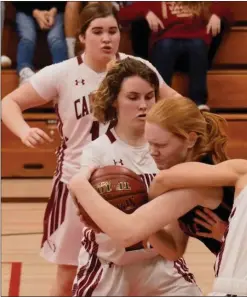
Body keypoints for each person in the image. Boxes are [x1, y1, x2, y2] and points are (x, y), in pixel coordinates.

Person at [68, 108, 247, 296]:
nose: (152, 152)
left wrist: (82, 185)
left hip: (243, 285)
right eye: (149, 144)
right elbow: (174, 250)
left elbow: (143, 209)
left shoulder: (222, 177)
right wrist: (149, 220)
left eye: (160, 145)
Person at [1, 3, 179, 296]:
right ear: (82, 37)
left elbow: (176, 104)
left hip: (133, 181)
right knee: (68, 272)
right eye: (97, 32)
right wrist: (24, 130)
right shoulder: (61, 73)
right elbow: (8, 103)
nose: (106, 38)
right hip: (78, 184)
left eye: (112, 31)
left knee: (140, 268)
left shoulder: (138, 69)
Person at [72, 59, 201, 296]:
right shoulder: (97, 152)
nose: (144, 105)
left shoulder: (170, 150)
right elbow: (83, 204)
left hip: (161, 263)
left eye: (149, 97)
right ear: (114, 100)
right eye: (133, 97)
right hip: (108, 266)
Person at [116, 1, 233, 111]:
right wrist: (146, 12)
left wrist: (217, 15)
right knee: (167, 45)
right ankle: (160, 99)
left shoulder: (201, 3)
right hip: (165, 48)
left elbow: (228, 11)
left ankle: (198, 102)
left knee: (197, 45)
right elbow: (123, 15)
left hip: (195, 49)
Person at [11, 2, 68, 85]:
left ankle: (62, 75)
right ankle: (24, 72)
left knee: (56, 40)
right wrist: (36, 12)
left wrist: (53, 11)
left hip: (56, 10)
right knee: (27, 38)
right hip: (25, 9)